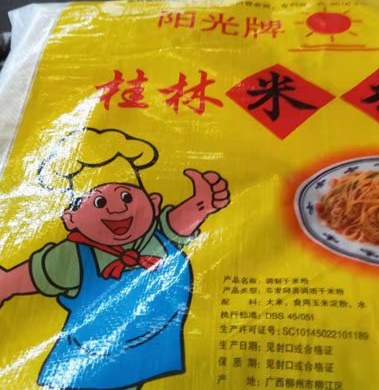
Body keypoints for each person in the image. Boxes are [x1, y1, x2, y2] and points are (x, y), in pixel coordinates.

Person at [0, 127, 230, 390]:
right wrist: (7, 283)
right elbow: (35, 273)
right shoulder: (75, 256)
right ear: (70, 219)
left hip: (148, 357)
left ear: (153, 203)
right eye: (98, 202)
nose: (117, 208)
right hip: (88, 364)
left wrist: (201, 204)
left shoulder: (158, 238)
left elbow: (178, 223)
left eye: (126, 196)